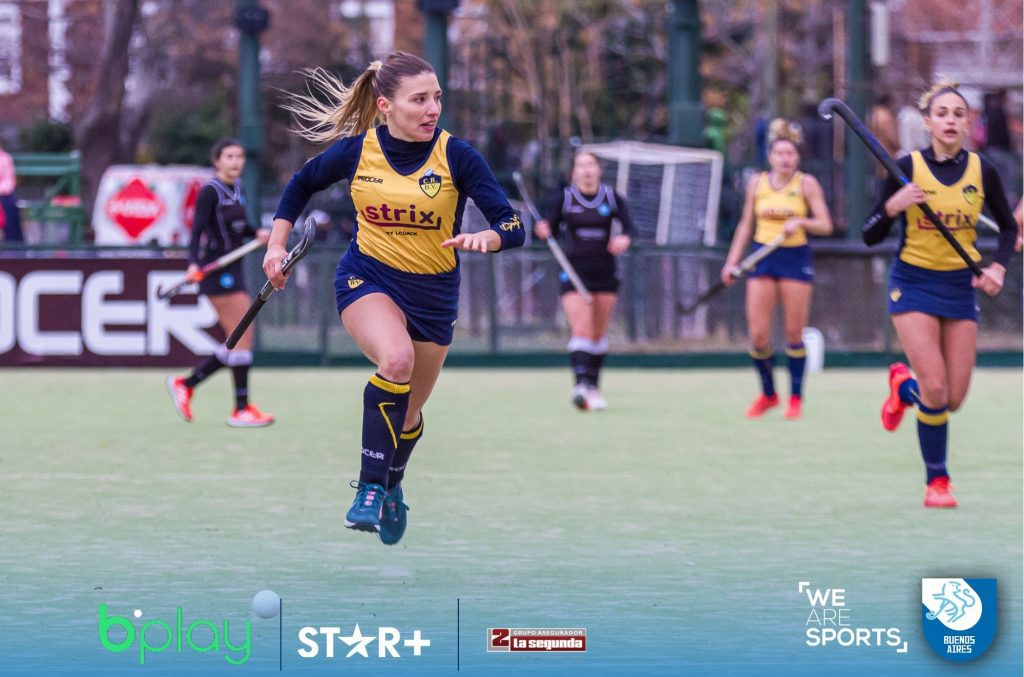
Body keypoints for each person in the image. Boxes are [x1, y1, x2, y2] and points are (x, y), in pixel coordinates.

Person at [265, 53, 524, 545]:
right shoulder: (357, 152)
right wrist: (277, 246)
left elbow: (512, 225)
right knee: (396, 359)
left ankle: (392, 484)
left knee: (407, 415)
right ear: (385, 105)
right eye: (419, 99)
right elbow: (301, 184)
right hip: (367, 278)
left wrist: (488, 238)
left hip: (434, 296)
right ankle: (369, 488)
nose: (433, 109)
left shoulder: (457, 156)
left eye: (437, 98)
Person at [863, 79, 1017, 508]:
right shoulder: (905, 168)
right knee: (935, 389)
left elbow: (1008, 228)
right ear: (927, 123)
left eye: (958, 114)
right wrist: (892, 206)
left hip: (959, 288)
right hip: (912, 284)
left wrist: (998, 267)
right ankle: (937, 482)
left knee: (953, 399)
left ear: (968, 124)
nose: (950, 120)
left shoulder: (982, 171)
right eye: (942, 114)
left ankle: (902, 389)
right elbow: (869, 233)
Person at [721, 118, 833, 421]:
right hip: (762, 257)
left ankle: (795, 398)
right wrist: (732, 261)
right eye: (780, 153)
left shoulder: (806, 184)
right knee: (758, 334)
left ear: (797, 157)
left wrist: (801, 222)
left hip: (794, 258)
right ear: (770, 156)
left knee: (794, 332)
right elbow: (746, 224)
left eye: (790, 154)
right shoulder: (756, 183)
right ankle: (768, 394)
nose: (786, 159)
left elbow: (825, 224)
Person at [166, 138, 273, 427]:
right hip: (216, 270)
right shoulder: (209, 191)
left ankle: (187, 384)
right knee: (241, 335)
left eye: (240, 156)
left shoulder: (238, 188)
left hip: (233, 267)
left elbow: (238, 227)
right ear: (217, 161)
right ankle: (241, 409)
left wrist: (256, 232)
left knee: (239, 338)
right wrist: (193, 263)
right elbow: (197, 230)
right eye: (229, 156)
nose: (236, 162)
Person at [534, 152, 634, 410]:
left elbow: (630, 228)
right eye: (581, 165)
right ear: (574, 172)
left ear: (599, 170)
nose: (586, 170)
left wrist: (624, 239)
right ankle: (580, 385)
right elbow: (549, 230)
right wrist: (543, 231)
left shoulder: (612, 197)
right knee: (581, 330)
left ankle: (593, 388)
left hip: (605, 271)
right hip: (574, 272)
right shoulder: (565, 198)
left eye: (591, 165)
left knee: (598, 333)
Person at [0, 141, 22, 243]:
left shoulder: (5, 159)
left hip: (5, 195)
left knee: (9, 206)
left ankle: (13, 243)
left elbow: (9, 181)